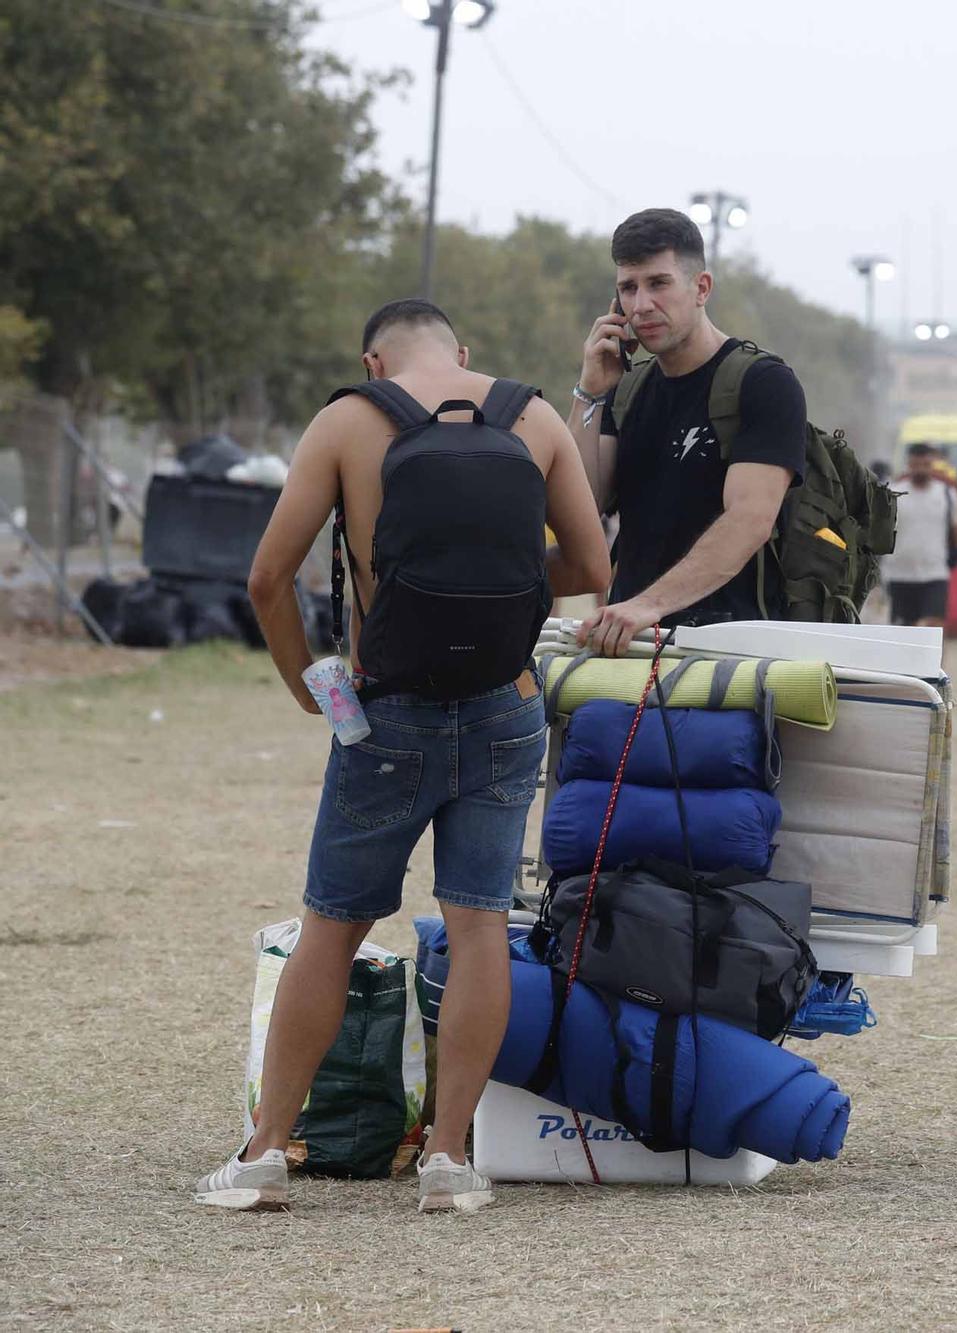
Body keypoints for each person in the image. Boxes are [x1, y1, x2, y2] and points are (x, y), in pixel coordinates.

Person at [204, 299, 612, 1213]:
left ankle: (266, 1154)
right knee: (477, 928)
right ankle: (450, 1162)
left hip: (385, 715)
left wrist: (304, 681)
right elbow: (590, 567)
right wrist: (501, 594)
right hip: (506, 709)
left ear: (373, 360)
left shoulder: (349, 420)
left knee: (333, 926)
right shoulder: (534, 416)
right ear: (463, 353)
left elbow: (268, 577)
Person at [567, 208, 807, 655]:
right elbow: (583, 505)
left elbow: (749, 519)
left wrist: (648, 605)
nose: (641, 306)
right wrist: (589, 392)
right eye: (628, 288)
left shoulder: (764, 383)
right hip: (631, 640)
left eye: (658, 284)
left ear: (701, 288)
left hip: (730, 648)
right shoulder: (628, 390)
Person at [880, 443, 957, 629]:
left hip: (935, 573)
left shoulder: (947, 494)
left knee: (933, 628)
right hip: (899, 574)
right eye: (915, 465)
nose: (920, 469)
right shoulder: (893, 493)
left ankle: (935, 659)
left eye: (925, 465)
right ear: (908, 465)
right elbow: (879, 531)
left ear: (932, 465)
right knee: (904, 632)